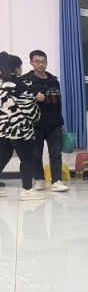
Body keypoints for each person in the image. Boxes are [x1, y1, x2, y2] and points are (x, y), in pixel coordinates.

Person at [21, 50, 68, 192]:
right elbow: (20, 101)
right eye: (37, 61)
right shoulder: (25, 80)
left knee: (56, 154)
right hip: (35, 123)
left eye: (43, 61)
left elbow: (59, 103)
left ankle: (56, 181)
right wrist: (34, 98)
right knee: (36, 154)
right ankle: (39, 179)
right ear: (31, 63)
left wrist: (61, 122)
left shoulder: (54, 80)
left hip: (54, 122)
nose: (41, 64)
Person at [0, 52, 43, 200]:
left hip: (3, 129)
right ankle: (27, 190)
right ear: (16, 68)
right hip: (19, 128)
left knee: (2, 156)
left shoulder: (1, 83)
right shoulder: (19, 84)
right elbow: (30, 110)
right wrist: (37, 115)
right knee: (26, 158)